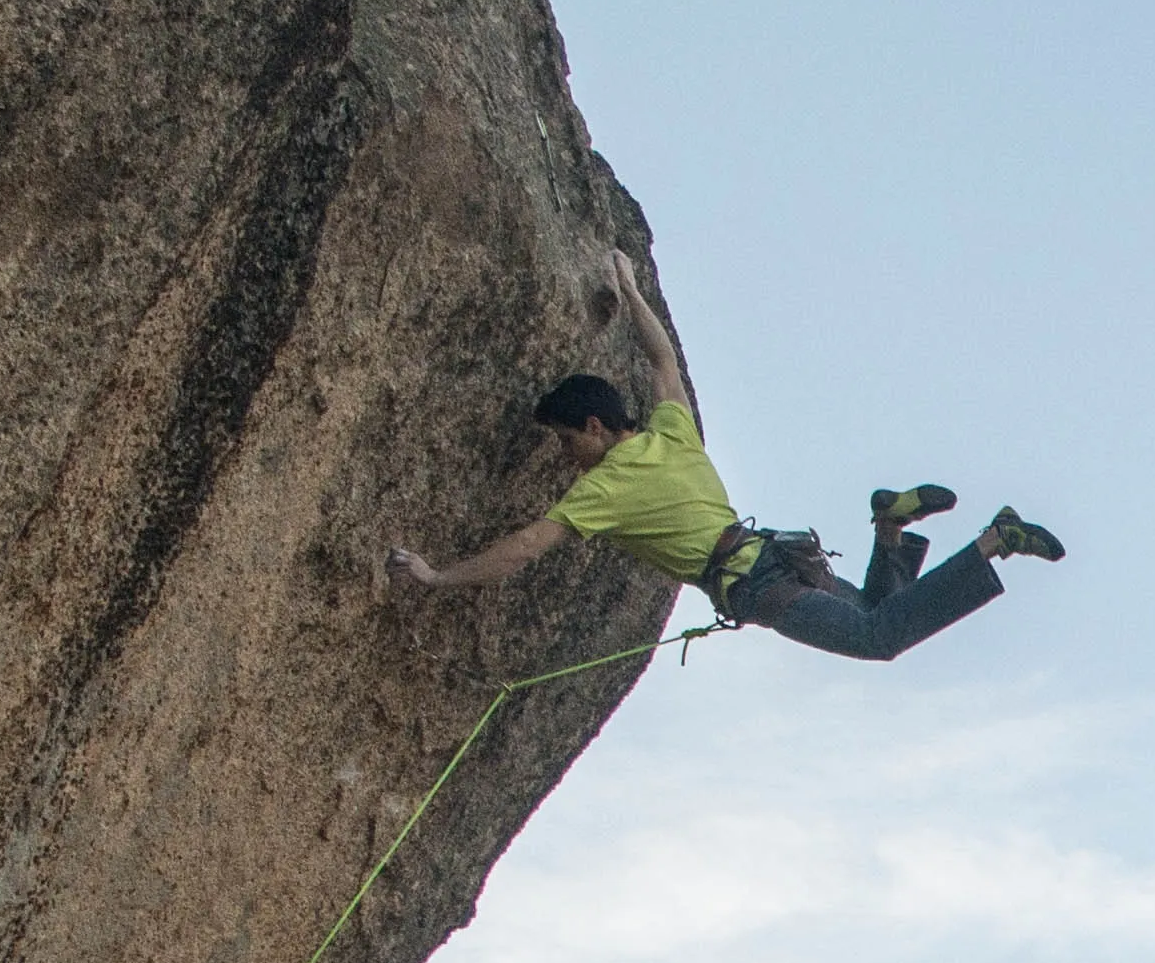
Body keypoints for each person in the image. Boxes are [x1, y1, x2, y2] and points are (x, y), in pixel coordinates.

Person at [384, 251, 1060, 661]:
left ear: (593, 426)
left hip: (761, 582)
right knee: (883, 609)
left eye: (567, 441)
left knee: (879, 637)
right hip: (779, 554)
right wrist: (631, 286)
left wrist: (437, 577)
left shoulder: (602, 488)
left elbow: (525, 547)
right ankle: (889, 527)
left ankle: (993, 540)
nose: (567, 458)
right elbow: (662, 360)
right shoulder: (669, 431)